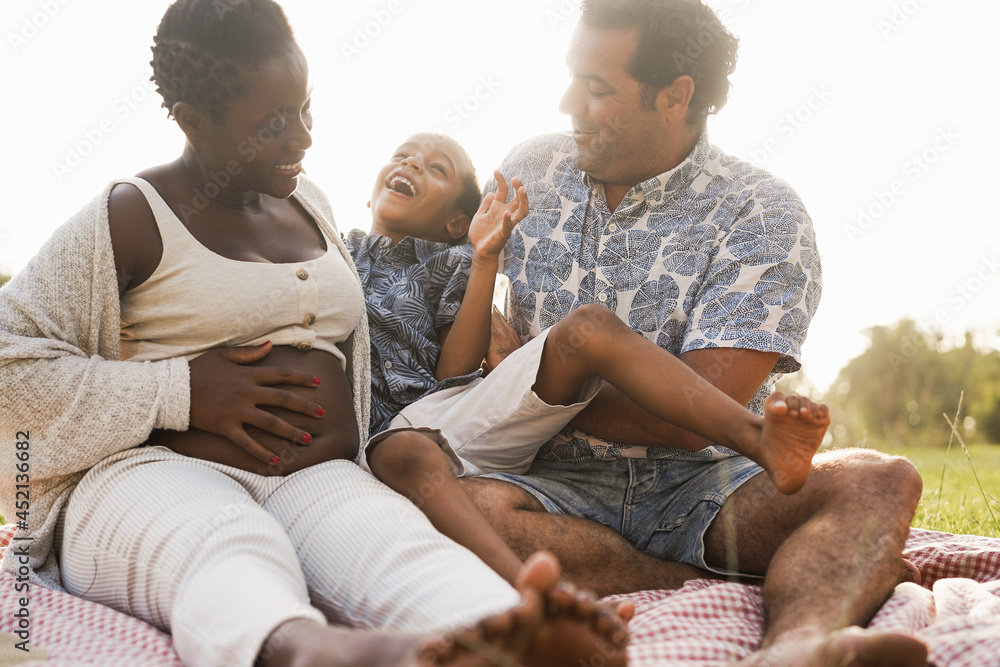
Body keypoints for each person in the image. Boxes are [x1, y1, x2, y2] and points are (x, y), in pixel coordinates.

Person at [0, 1, 631, 666]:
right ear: (193, 122)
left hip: (316, 477)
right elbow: (11, 367)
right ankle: (329, 654)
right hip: (153, 478)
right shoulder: (130, 213)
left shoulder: (312, 204)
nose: (302, 138)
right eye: (272, 124)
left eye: (304, 108)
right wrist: (179, 389)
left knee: (401, 550)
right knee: (228, 547)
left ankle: (509, 637)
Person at [452, 0, 931, 665]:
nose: (568, 103)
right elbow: (461, 297)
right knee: (442, 494)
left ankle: (798, 646)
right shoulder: (531, 167)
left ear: (676, 95)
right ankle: (691, 582)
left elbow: (693, 418)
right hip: (543, 486)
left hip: (705, 487)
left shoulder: (762, 211)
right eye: (572, 77)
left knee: (879, 481)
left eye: (597, 88)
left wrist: (525, 387)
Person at [347, 132, 831, 587]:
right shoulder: (332, 252)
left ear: (457, 222)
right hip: (375, 444)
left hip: (439, 419)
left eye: (436, 168)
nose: (411, 163)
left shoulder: (453, 264)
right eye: (404, 155)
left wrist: (482, 258)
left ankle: (756, 438)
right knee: (402, 455)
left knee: (589, 328)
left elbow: (454, 375)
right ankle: (535, 590)